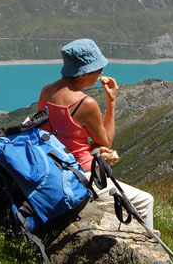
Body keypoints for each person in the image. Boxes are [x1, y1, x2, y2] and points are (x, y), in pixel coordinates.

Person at [38, 39, 155, 229]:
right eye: (98, 69)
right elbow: (106, 141)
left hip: (51, 166)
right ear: (84, 72)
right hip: (79, 174)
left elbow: (51, 130)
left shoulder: (47, 90)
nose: (101, 73)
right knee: (146, 201)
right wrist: (112, 101)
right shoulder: (85, 103)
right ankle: (151, 245)